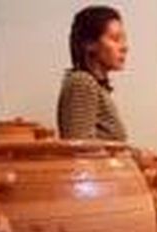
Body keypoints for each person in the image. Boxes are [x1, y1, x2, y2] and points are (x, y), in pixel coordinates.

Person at [57, 5, 128, 141]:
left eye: (124, 40)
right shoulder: (82, 82)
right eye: (115, 39)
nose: (124, 47)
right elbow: (80, 148)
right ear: (89, 44)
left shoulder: (95, 86)